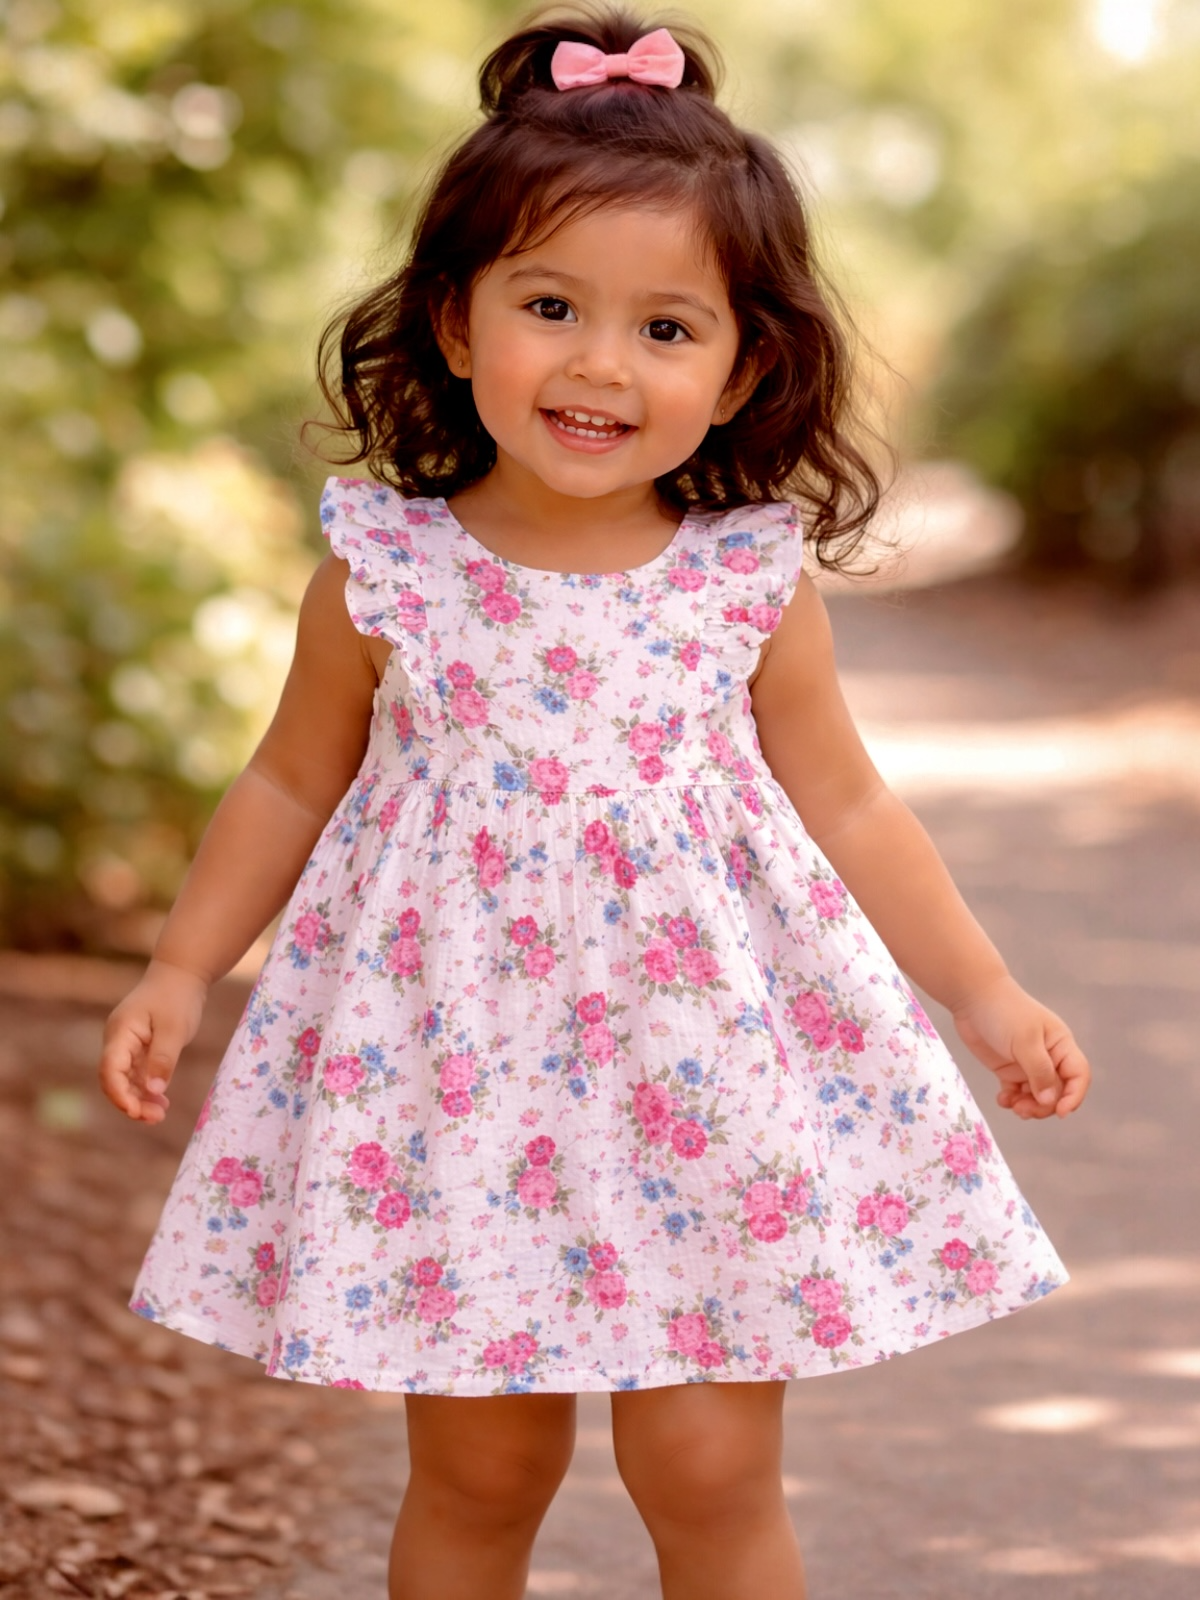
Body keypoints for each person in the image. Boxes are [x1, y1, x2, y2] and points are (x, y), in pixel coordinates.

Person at [99, 7, 1091, 1597]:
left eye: (664, 328)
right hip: (458, 1084)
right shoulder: (385, 571)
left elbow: (850, 805)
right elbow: (290, 779)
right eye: (549, 306)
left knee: (704, 1464)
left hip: (697, 1083)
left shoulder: (745, 582)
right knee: (481, 1467)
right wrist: (175, 965)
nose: (598, 365)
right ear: (451, 321)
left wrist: (986, 993)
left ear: (745, 361)